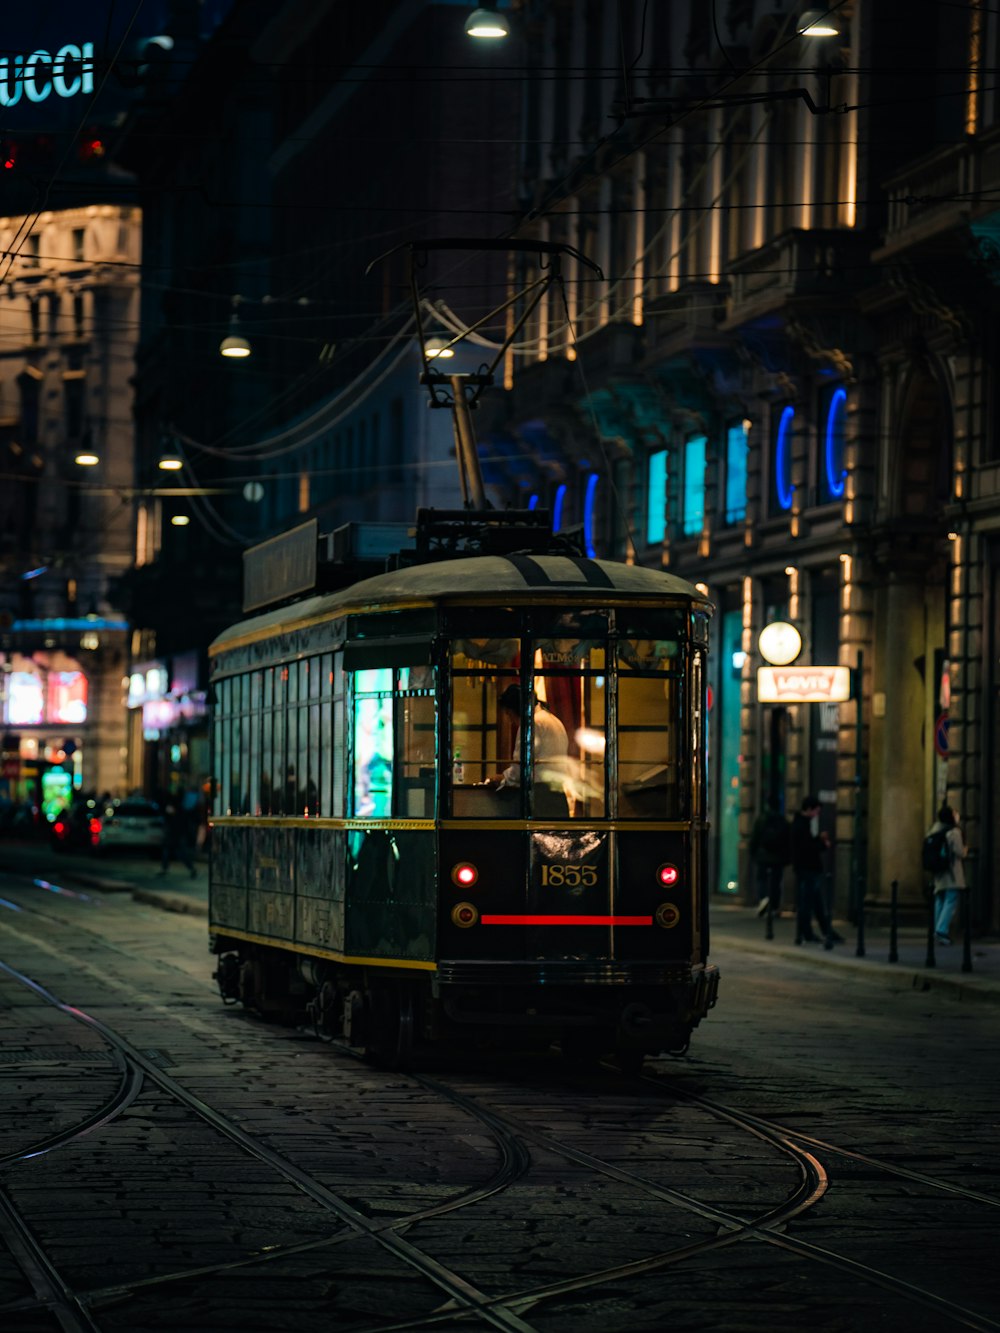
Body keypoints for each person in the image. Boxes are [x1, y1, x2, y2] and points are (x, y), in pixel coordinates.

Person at [491, 683, 570, 817]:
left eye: (509, 714)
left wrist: (503, 778)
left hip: (540, 796)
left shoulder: (532, 723)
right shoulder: (554, 721)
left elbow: (521, 767)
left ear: (516, 709)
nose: (510, 720)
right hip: (558, 794)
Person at [790, 794, 843, 948]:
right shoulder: (801, 825)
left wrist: (818, 840)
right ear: (809, 809)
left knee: (814, 903)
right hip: (807, 869)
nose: (817, 814)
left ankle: (823, 932)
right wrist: (822, 844)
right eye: (816, 811)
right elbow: (807, 848)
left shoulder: (802, 824)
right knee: (809, 904)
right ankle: (810, 933)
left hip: (807, 869)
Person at [926, 803, 966, 945]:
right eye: (954, 814)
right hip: (951, 872)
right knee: (951, 899)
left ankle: (937, 929)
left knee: (940, 900)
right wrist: (965, 850)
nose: (957, 816)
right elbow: (959, 852)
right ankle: (941, 930)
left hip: (939, 872)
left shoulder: (934, 830)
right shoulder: (954, 832)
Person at [749, 799, 790, 917]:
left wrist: (753, 853)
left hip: (763, 856)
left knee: (762, 878)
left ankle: (763, 899)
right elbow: (787, 840)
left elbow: (755, 838)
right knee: (776, 882)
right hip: (777, 857)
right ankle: (775, 907)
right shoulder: (782, 821)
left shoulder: (761, 819)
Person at [158, 786, 197, 877]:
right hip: (177, 833)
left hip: (175, 833)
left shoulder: (176, 807)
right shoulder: (182, 807)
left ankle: (190, 869)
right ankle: (190, 869)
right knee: (172, 852)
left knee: (177, 853)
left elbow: (172, 818)